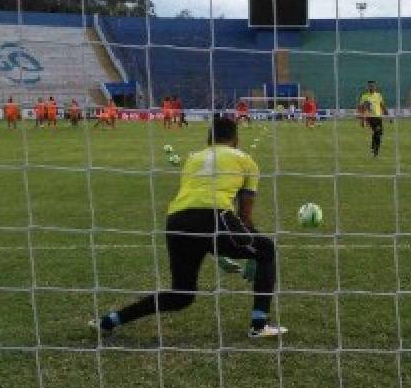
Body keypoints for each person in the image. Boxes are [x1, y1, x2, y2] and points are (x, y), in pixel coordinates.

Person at [91, 116, 286, 339]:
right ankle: (259, 325)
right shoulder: (246, 160)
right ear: (236, 139)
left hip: (176, 221)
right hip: (215, 217)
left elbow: (198, 211)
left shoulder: (193, 159)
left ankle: (109, 321)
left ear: (209, 138)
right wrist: (252, 252)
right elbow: (244, 217)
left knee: (181, 294)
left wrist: (221, 250)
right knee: (267, 250)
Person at [358, 81, 386, 157]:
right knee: (377, 130)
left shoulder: (378, 95)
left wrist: (388, 115)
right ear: (368, 87)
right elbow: (360, 108)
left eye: (372, 86)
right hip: (370, 117)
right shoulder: (364, 96)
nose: (371, 87)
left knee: (379, 133)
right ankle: (375, 149)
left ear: (375, 87)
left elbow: (382, 105)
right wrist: (361, 119)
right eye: (370, 86)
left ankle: (375, 148)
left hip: (378, 117)